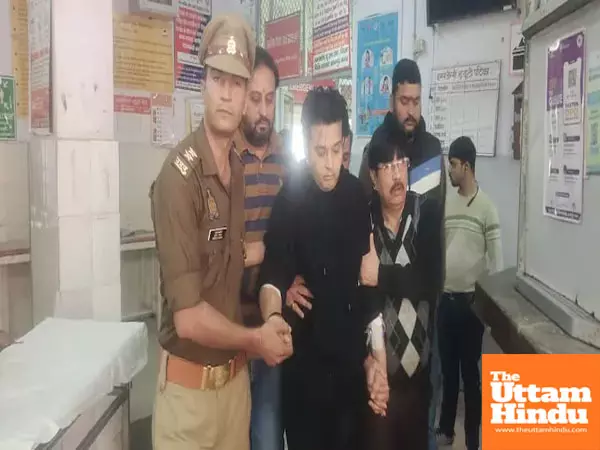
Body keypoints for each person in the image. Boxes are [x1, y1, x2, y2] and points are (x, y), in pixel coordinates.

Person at [150, 15, 293, 450]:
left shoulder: (236, 171)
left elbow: (237, 257)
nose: (228, 94)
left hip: (235, 392)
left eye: (237, 82)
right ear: (203, 85)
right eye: (218, 79)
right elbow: (188, 319)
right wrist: (255, 340)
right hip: (189, 400)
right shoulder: (178, 179)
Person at [257, 87, 372, 450]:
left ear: (346, 144)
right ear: (306, 145)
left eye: (337, 150)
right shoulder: (290, 199)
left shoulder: (357, 196)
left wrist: (374, 356)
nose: (330, 163)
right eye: (321, 152)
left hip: (349, 366)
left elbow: (367, 282)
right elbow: (272, 275)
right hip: (305, 369)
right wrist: (273, 315)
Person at [358, 58, 445, 450]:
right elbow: (366, 233)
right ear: (392, 100)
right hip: (383, 329)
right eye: (404, 101)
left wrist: (387, 276)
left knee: (424, 406)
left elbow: (430, 260)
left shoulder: (432, 150)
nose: (411, 110)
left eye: (416, 101)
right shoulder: (375, 147)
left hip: (424, 309)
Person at [235, 46, 290, 450]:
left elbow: (295, 238)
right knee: (233, 435)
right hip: (229, 325)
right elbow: (218, 250)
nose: (263, 110)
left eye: (270, 99)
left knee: (268, 437)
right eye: (255, 99)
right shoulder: (224, 157)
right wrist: (264, 252)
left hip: (271, 321)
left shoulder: (288, 160)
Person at [435, 136, 503, 450]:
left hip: (471, 305)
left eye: (452, 164)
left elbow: (497, 264)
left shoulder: (487, 208)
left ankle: (473, 440)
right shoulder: (446, 204)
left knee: (470, 377)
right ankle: (446, 430)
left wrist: (490, 309)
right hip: (446, 302)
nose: (449, 170)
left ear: (466, 166)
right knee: (448, 373)